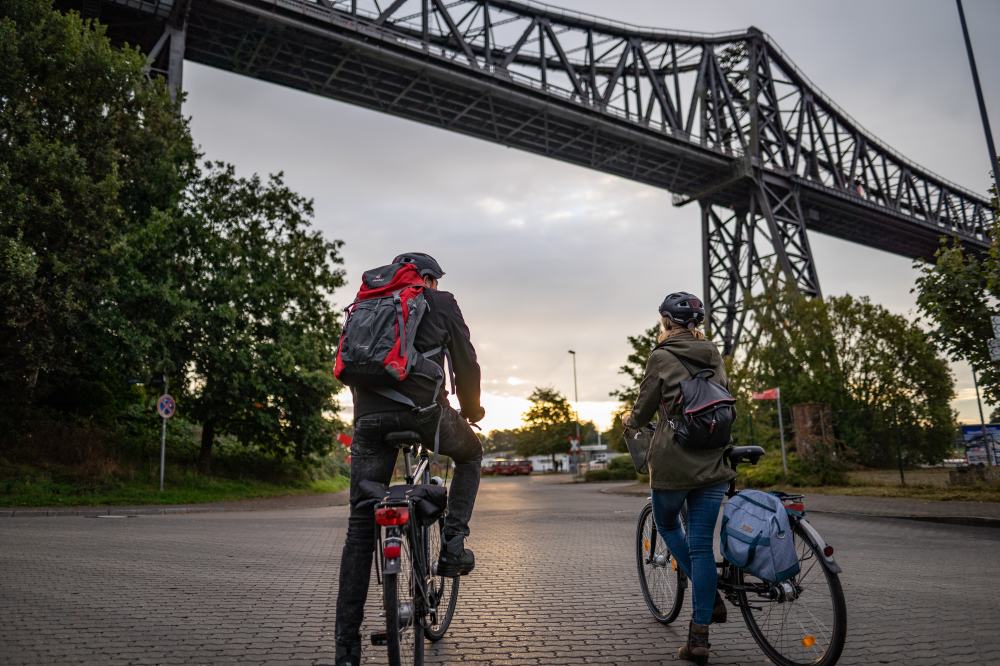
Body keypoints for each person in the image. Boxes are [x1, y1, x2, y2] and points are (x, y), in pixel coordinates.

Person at [334, 252, 485, 666]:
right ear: (427, 279)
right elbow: (466, 362)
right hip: (424, 416)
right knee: (472, 456)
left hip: (368, 421)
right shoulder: (441, 301)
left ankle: (346, 651)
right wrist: (471, 409)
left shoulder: (367, 305)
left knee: (359, 530)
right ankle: (453, 546)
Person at [621, 291, 735, 665]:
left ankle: (709, 593)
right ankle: (698, 637)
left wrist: (629, 420)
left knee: (668, 523)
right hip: (714, 459)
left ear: (666, 323)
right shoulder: (713, 353)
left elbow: (644, 409)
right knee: (703, 546)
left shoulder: (661, 356)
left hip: (675, 464)